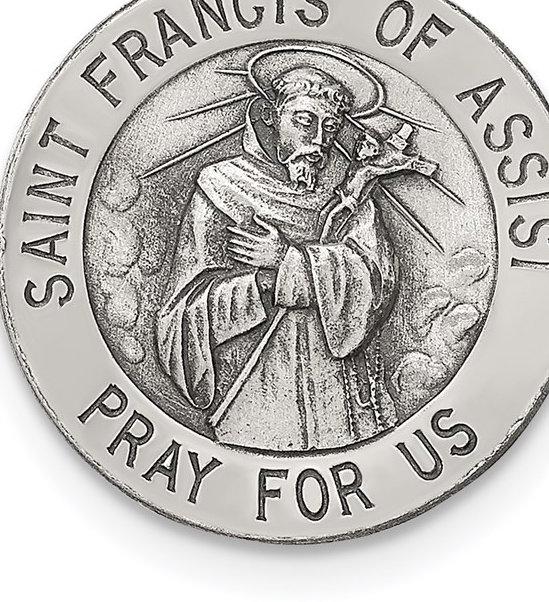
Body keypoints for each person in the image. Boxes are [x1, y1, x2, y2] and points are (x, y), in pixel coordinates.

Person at [156, 64, 398, 451]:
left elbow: (378, 277)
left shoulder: (348, 193)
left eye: (330, 127)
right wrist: (262, 285)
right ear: (271, 116)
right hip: (259, 393)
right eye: (304, 121)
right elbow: (181, 316)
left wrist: (289, 262)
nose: (318, 141)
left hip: (343, 396)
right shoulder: (221, 186)